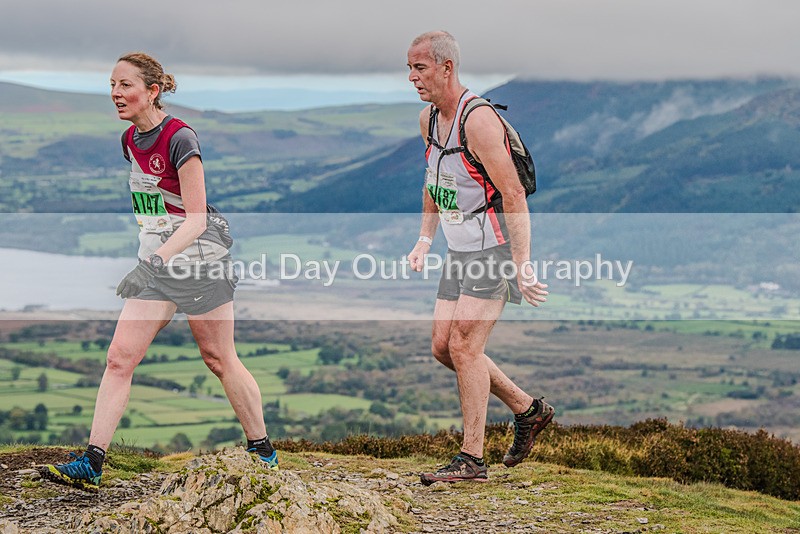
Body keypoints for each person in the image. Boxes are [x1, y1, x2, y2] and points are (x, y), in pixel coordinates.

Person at [43, 53, 277, 491]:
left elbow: (195, 219)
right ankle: (93, 462)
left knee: (219, 359)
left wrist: (150, 261)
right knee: (119, 358)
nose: (116, 93)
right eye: (112, 84)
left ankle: (262, 451)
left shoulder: (180, 138)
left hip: (201, 262)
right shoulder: (129, 140)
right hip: (158, 264)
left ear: (152, 91)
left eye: (126, 85)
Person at [406, 31, 554, 485]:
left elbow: (513, 193)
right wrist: (424, 240)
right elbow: (436, 183)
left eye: (421, 68)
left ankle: (472, 458)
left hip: (494, 247)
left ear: (447, 68)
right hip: (459, 248)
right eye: (409, 69)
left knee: (466, 345)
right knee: (443, 347)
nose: (413, 78)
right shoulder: (427, 121)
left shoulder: (479, 120)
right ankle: (529, 410)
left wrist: (522, 262)